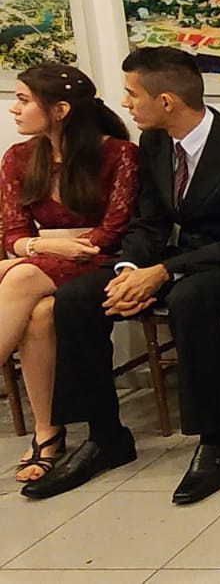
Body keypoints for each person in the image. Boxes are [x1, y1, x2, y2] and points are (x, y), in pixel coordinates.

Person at [21, 46, 220, 506]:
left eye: (132, 94)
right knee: (77, 297)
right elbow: (148, 222)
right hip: (179, 258)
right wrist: (129, 270)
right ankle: (105, 435)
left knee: (191, 299)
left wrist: (163, 272)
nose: (125, 104)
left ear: (166, 101)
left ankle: (216, 439)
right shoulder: (153, 144)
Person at [1, 64, 137, 482]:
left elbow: (113, 230)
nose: (13, 109)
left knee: (19, 276)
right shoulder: (19, 157)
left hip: (101, 261)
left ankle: (49, 434)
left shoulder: (118, 153)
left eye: (23, 100)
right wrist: (45, 247)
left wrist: (40, 251)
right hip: (44, 261)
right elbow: (13, 233)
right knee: (39, 315)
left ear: (60, 110)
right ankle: (48, 433)